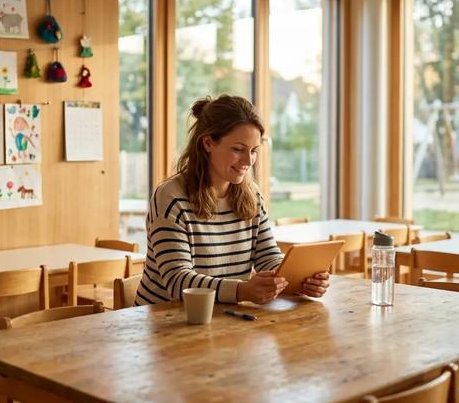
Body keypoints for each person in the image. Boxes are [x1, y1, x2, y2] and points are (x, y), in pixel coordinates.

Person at [134, 95, 330, 306]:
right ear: (208, 143)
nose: (248, 161)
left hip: (223, 321)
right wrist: (241, 290)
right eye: (238, 149)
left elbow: (268, 257)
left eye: (253, 151)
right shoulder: (171, 197)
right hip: (163, 324)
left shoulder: (252, 195)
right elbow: (177, 281)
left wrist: (298, 280)